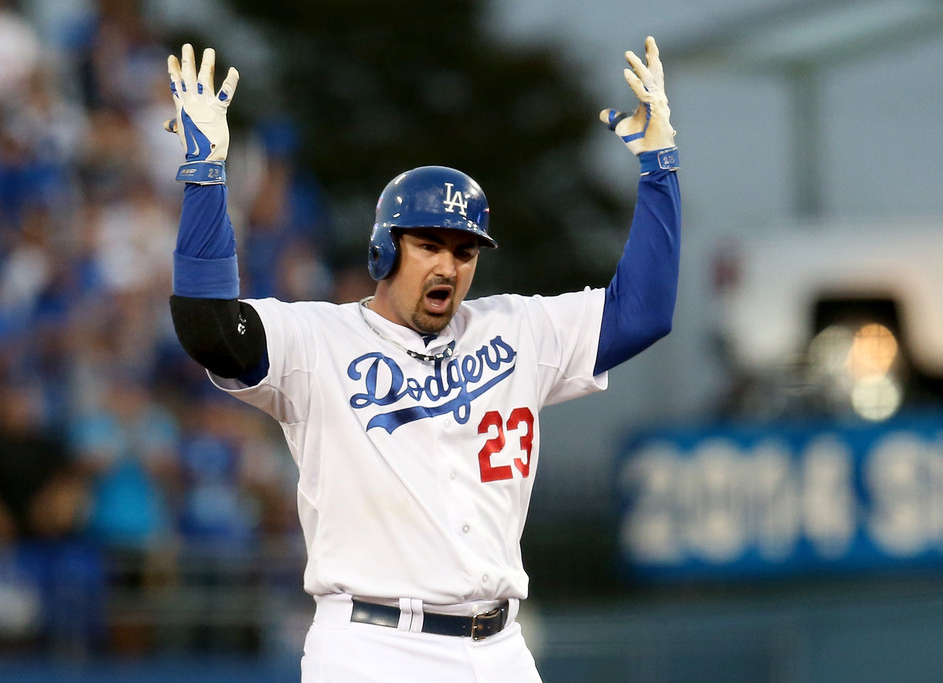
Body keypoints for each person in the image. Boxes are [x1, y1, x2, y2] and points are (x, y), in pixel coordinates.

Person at [163, 37, 680, 683]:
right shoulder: (318, 339)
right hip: (371, 646)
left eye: (464, 251)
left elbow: (645, 311)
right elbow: (208, 327)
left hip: (499, 647)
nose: (447, 264)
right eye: (429, 244)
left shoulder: (517, 328)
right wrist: (206, 173)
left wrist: (660, 170)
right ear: (385, 249)